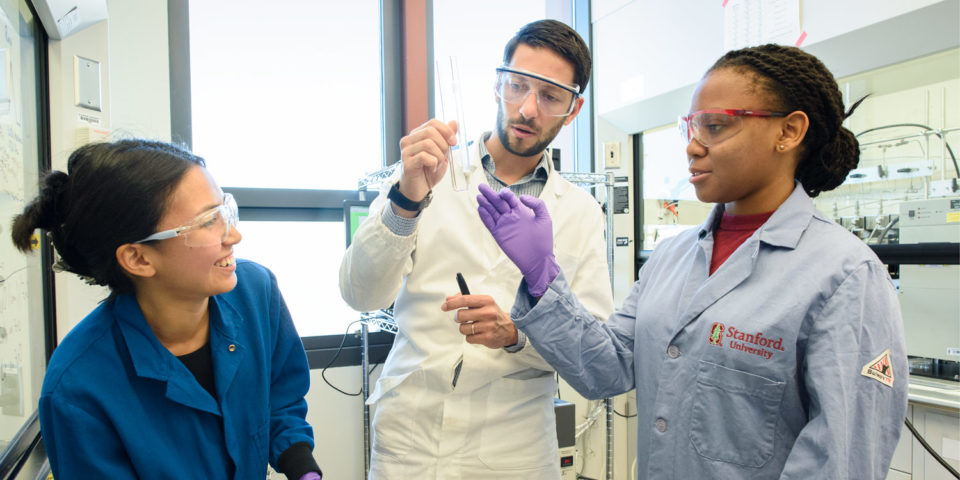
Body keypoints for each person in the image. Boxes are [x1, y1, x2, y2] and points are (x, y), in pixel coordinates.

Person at [460, 44, 909, 479]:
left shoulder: (845, 277)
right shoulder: (671, 257)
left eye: (715, 127)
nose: (693, 147)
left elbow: (841, 462)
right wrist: (542, 276)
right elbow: (607, 368)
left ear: (789, 132)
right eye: (691, 128)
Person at [339, 19, 614, 479]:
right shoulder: (429, 174)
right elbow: (359, 293)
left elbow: (592, 352)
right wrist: (406, 200)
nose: (527, 108)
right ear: (496, 84)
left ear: (574, 108)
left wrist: (517, 335)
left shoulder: (580, 212)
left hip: (514, 445)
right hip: (412, 437)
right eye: (517, 86)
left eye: (549, 97)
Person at [11, 140, 323, 480]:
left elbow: (281, 399)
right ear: (138, 258)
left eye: (225, 211)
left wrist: (303, 470)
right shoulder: (77, 390)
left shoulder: (255, 291)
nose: (233, 235)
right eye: (208, 222)